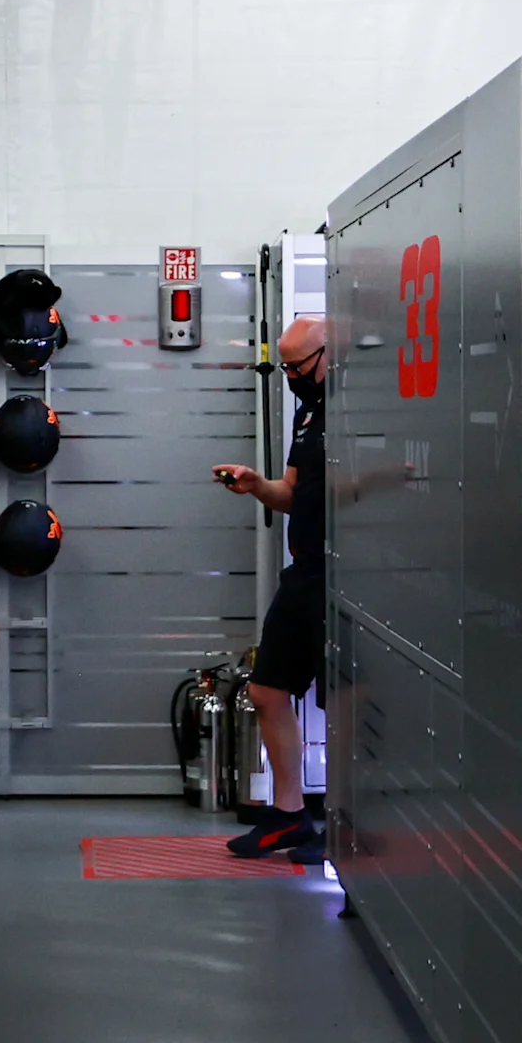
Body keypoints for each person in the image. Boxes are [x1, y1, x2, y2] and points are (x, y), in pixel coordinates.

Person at [211, 314, 329, 862]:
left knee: (349, 704)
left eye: (296, 365)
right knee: (267, 691)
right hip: (304, 574)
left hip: (345, 577)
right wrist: (259, 486)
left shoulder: (364, 408)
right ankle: (289, 815)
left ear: (328, 353)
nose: (290, 376)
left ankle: (351, 825)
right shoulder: (309, 414)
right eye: (282, 366)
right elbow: (291, 494)